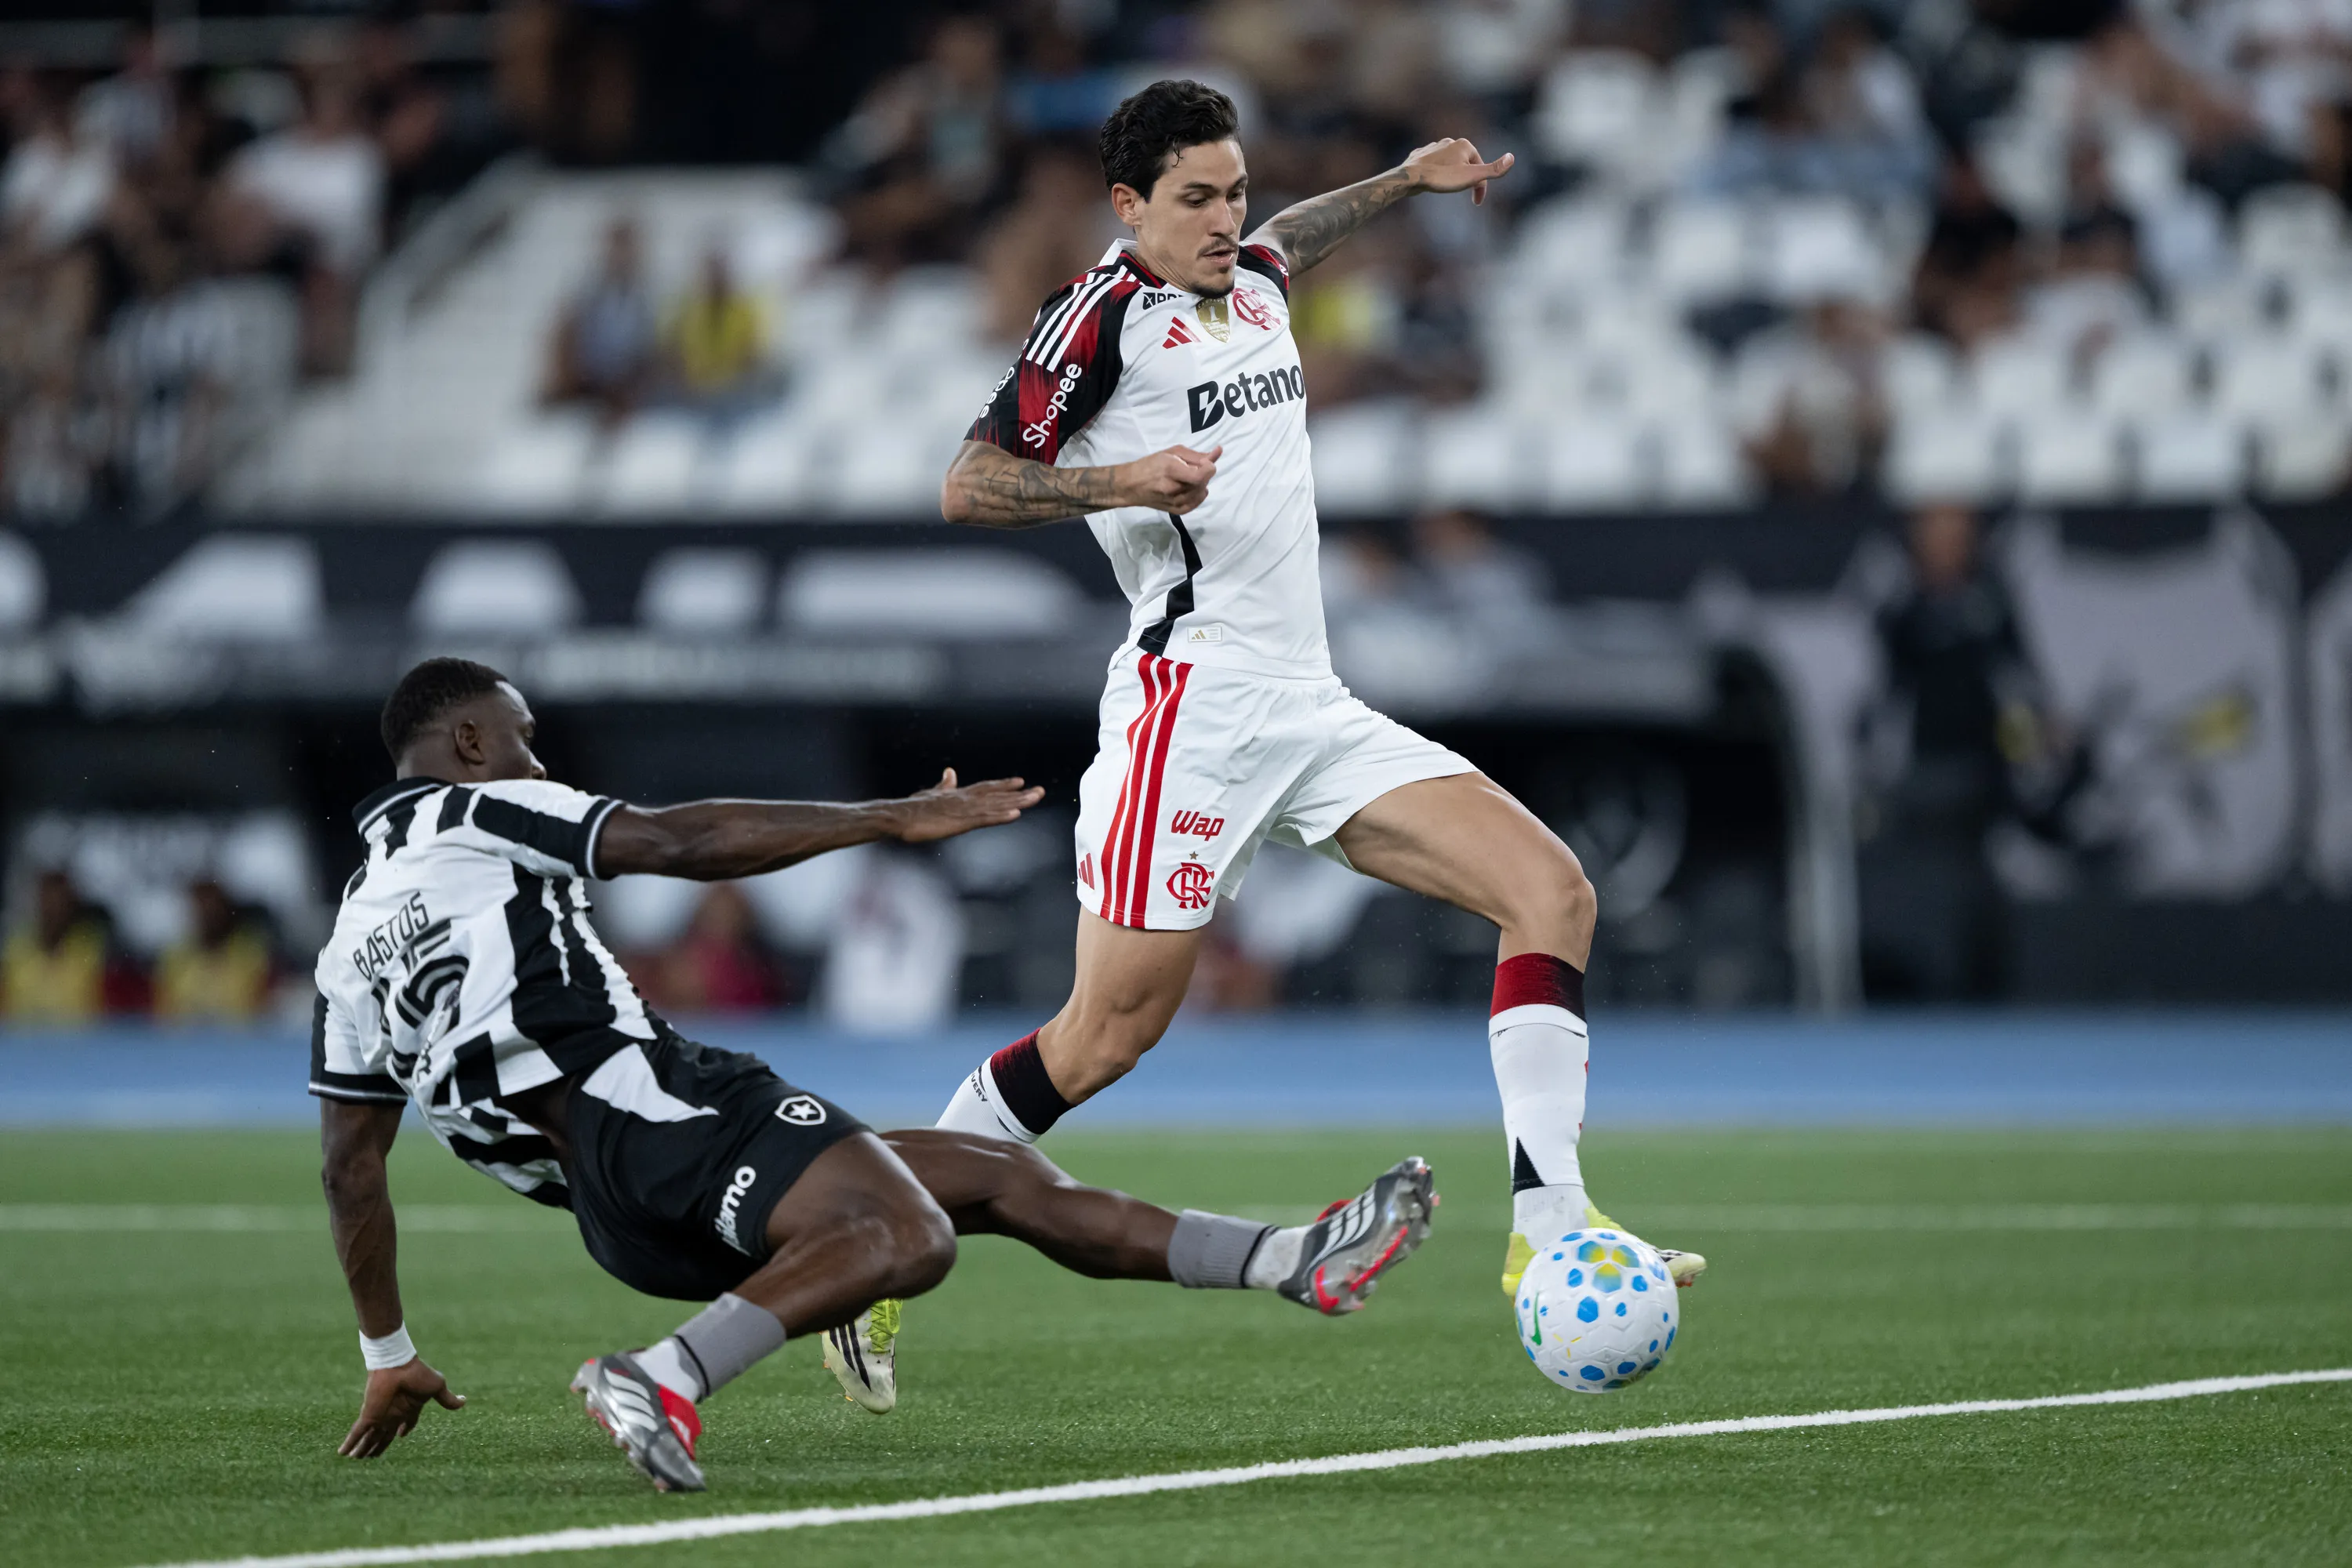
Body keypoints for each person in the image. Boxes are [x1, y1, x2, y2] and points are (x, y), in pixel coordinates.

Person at [929, 78, 1704, 1367]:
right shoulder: (1104, 319)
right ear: (1130, 207)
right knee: (1103, 1038)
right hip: (1190, 713)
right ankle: (885, 1246)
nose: (1228, 219)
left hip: (1310, 702)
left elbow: (1301, 232)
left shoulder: (1259, 279)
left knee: (1553, 893)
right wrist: (1127, 478)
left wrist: (1405, 181)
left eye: (1235, 191)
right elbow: (966, 486)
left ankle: (1550, 1227)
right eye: (1197, 199)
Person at [314, 658, 1435, 1493]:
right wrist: (892, 817)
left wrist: (389, 1353)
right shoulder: (472, 807)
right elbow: (673, 841)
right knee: (911, 1238)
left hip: (616, 1213)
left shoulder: (344, 952)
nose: (539, 762)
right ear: (467, 742)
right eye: (523, 738)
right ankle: (665, 1375)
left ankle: (1293, 1261)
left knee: (995, 1175)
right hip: (658, 1109)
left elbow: (350, 1171)